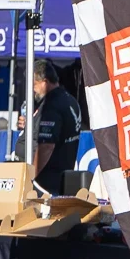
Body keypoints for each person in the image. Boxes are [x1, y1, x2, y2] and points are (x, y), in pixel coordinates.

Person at [30, 64, 83, 196]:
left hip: (46, 182)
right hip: (62, 175)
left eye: (34, 84)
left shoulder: (52, 105)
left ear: (45, 82)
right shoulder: (69, 99)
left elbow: (47, 146)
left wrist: (31, 177)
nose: (32, 89)